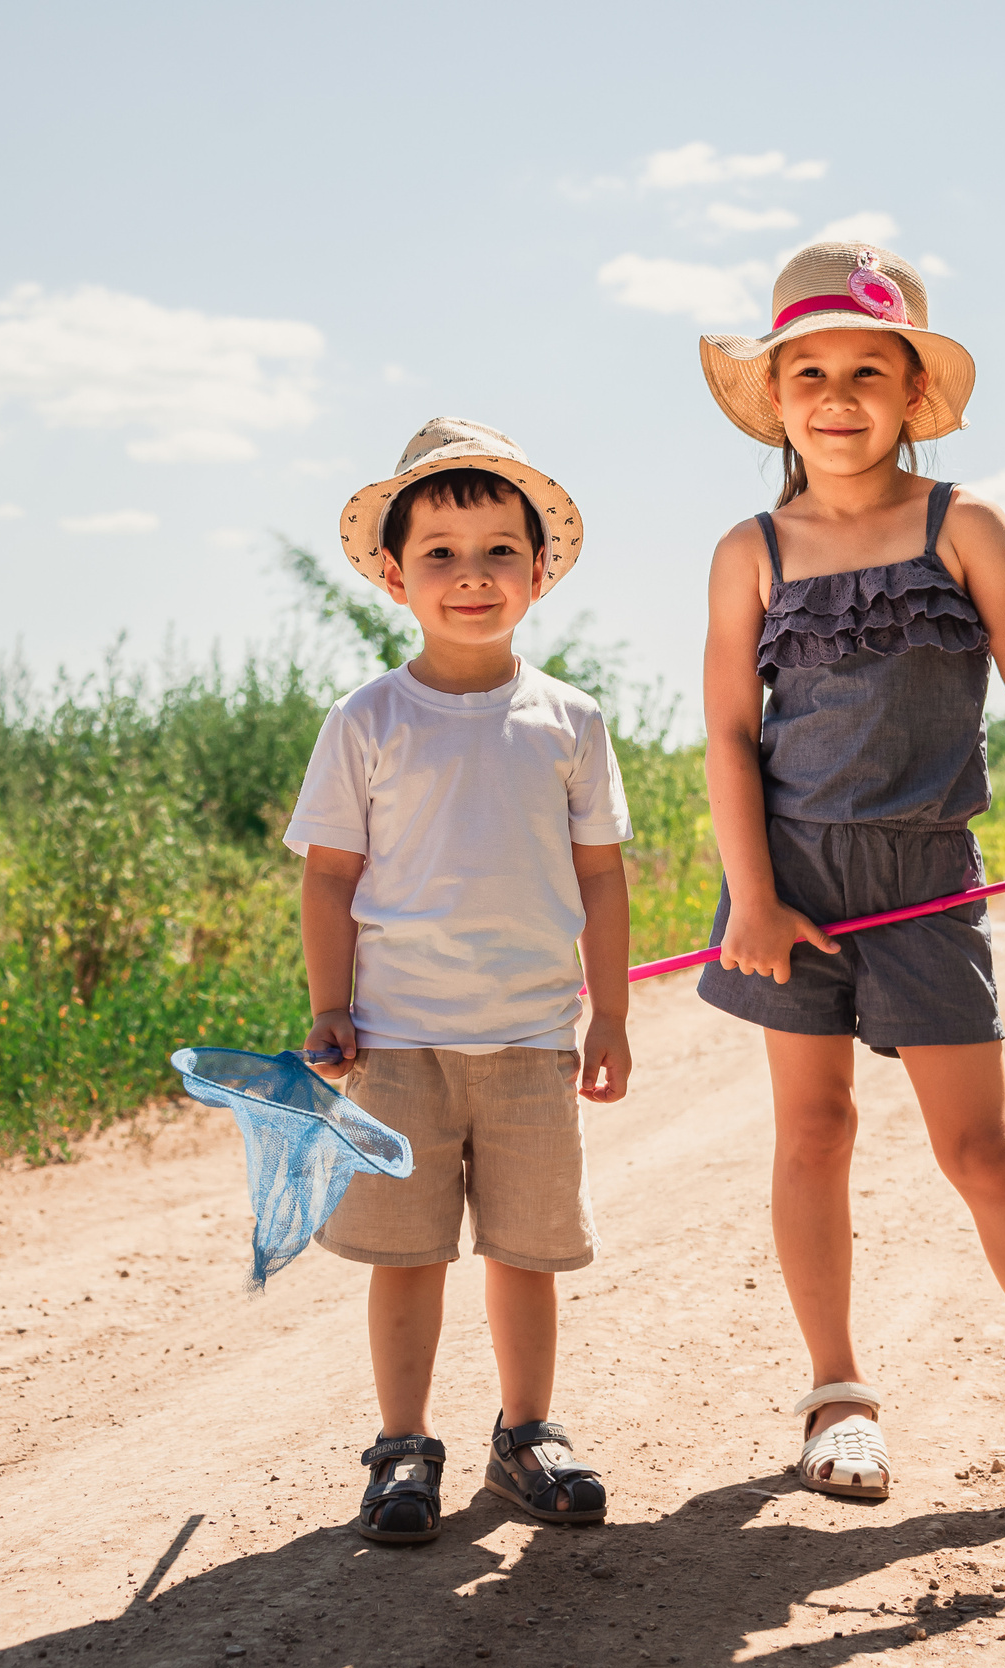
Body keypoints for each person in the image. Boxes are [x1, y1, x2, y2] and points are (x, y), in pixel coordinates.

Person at [693, 243, 1005, 1522]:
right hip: (787, 876)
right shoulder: (750, 551)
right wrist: (754, 897)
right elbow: (729, 731)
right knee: (813, 1131)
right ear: (776, 395)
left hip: (925, 878)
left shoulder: (966, 527)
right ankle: (835, 1399)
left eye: (866, 371)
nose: (838, 396)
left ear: (910, 390)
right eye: (810, 372)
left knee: (979, 1146)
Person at [284, 418, 632, 1545]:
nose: (470, 575)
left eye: (497, 551)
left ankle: (526, 1434)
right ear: (394, 575)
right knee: (407, 1252)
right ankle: (402, 1445)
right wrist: (329, 1005)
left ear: (539, 571)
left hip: (534, 1038)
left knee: (527, 1252)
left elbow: (601, 875)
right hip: (395, 1044)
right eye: (439, 551)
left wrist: (612, 1010)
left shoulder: (569, 721)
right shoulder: (367, 720)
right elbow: (331, 878)